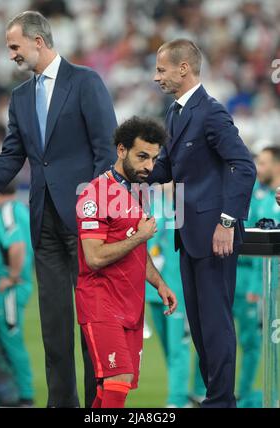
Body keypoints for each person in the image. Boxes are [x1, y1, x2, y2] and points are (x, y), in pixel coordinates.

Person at [0, 11, 117, 407]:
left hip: (86, 225)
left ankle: (98, 409)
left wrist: (94, 210)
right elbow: (10, 159)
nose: (10, 55)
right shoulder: (21, 97)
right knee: (54, 333)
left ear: (38, 41)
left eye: (14, 46)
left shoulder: (85, 81)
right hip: (44, 226)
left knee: (93, 329)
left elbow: (106, 152)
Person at [150, 39, 256, 408]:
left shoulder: (210, 111)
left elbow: (244, 166)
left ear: (184, 68)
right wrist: (131, 168)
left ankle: (221, 402)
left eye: (162, 69)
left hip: (215, 236)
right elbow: (167, 168)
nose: (156, 76)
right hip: (188, 235)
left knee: (215, 324)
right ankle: (216, 397)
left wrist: (227, 221)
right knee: (199, 326)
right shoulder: (176, 113)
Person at [75, 116, 177, 408]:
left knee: (113, 388)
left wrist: (159, 283)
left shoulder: (137, 192)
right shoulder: (94, 193)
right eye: (142, 156)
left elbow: (137, 252)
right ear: (121, 150)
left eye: (154, 159)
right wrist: (139, 236)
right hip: (100, 303)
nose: (149, 166)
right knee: (119, 377)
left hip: (131, 304)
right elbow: (94, 257)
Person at [146, 182, 205, 408]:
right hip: (153, 291)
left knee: (179, 346)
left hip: (180, 289)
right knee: (169, 348)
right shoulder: (152, 205)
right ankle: (193, 394)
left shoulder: (187, 206)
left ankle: (177, 401)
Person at [0, 181, 34, 406]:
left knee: (11, 341)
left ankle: (24, 396)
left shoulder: (11, 208)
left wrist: (12, 276)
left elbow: (17, 245)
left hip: (7, 291)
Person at [235, 146, 280, 408]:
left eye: (262, 163)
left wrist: (255, 286)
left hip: (264, 281)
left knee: (256, 343)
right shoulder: (258, 193)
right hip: (245, 275)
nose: (257, 169)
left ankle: (248, 393)